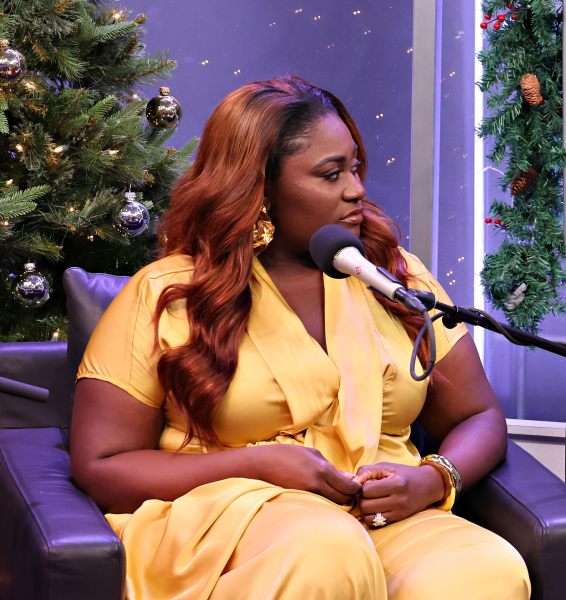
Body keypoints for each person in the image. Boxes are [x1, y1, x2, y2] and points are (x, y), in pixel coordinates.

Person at [70, 76, 530, 600]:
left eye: (355, 166)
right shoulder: (169, 295)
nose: (356, 188)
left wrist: (433, 479)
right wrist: (257, 464)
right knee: (325, 552)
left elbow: (479, 415)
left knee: (484, 571)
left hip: (379, 517)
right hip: (230, 518)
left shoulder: (392, 277)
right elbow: (100, 465)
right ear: (259, 192)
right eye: (331, 174)